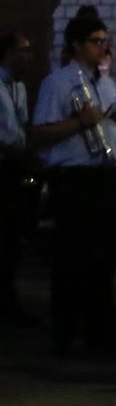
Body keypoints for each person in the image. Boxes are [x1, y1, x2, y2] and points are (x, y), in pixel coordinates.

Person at [30, 15, 116, 357]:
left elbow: (108, 120)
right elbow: (40, 133)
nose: (103, 47)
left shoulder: (104, 82)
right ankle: (65, 332)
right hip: (75, 179)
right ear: (76, 44)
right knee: (72, 258)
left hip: (104, 175)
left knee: (101, 260)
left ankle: (98, 331)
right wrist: (79, 122)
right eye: (96, 41)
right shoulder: (59, 83)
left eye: (104, 40)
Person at [0, 32, 38, 327]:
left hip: (15, 164)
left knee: (13, 237)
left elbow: (22, 125)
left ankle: (9, 298)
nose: (28, 57)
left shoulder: (20, 88)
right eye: (22, 51)